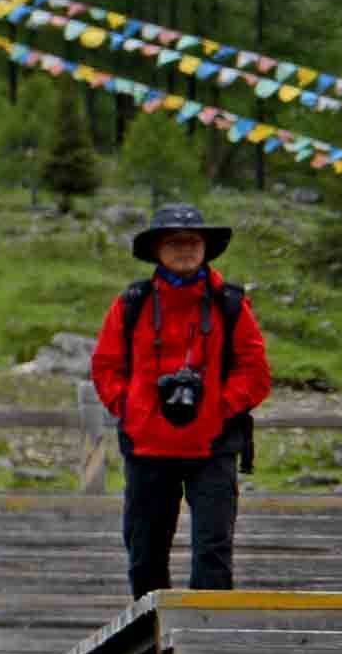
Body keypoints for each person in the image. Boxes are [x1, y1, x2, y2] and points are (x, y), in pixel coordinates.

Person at [89, 200, 274, 598]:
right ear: (157, 249)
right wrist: (133, 408)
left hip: (214, 445)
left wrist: (219, 407)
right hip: (147, 445)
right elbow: (105, 366)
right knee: (145, 554)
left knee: (214, 552)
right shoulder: (131, 303)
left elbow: (256, 372)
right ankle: (147, 646)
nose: (185, 249)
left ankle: (208, 644)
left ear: (206, 248)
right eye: (174, 241)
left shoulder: (230, 303)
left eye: (193, 241)